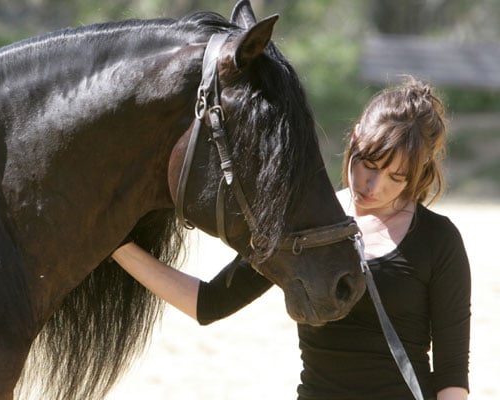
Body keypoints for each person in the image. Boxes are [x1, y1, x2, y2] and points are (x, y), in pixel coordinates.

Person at [111, 77, 471, 400]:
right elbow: (210, 302)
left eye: (396, 177)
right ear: (356, 135)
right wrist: (117, 244)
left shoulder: (438, 240)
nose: (373, 186)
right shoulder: (304, 222)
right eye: (369, 165)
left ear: (418, 174)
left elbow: (452, 375)